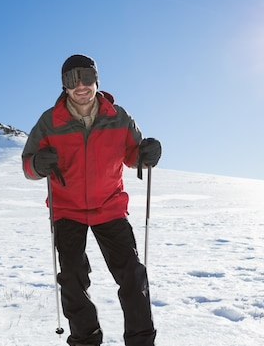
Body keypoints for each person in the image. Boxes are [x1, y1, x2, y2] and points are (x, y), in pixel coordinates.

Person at [22, 54, 162, 346]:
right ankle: (86, 340)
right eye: (72, 80)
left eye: (86, 77)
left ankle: (141, 341)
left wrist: (146, 156)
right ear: (64, 86)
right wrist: (38, 164)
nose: (81, 86)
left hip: (109, 206)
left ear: (97, 80)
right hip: (67, 210)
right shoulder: (49, 121)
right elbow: (28, 166)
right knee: (72, 279)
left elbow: (133, 156)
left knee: (133, 277)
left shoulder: (118, 116)